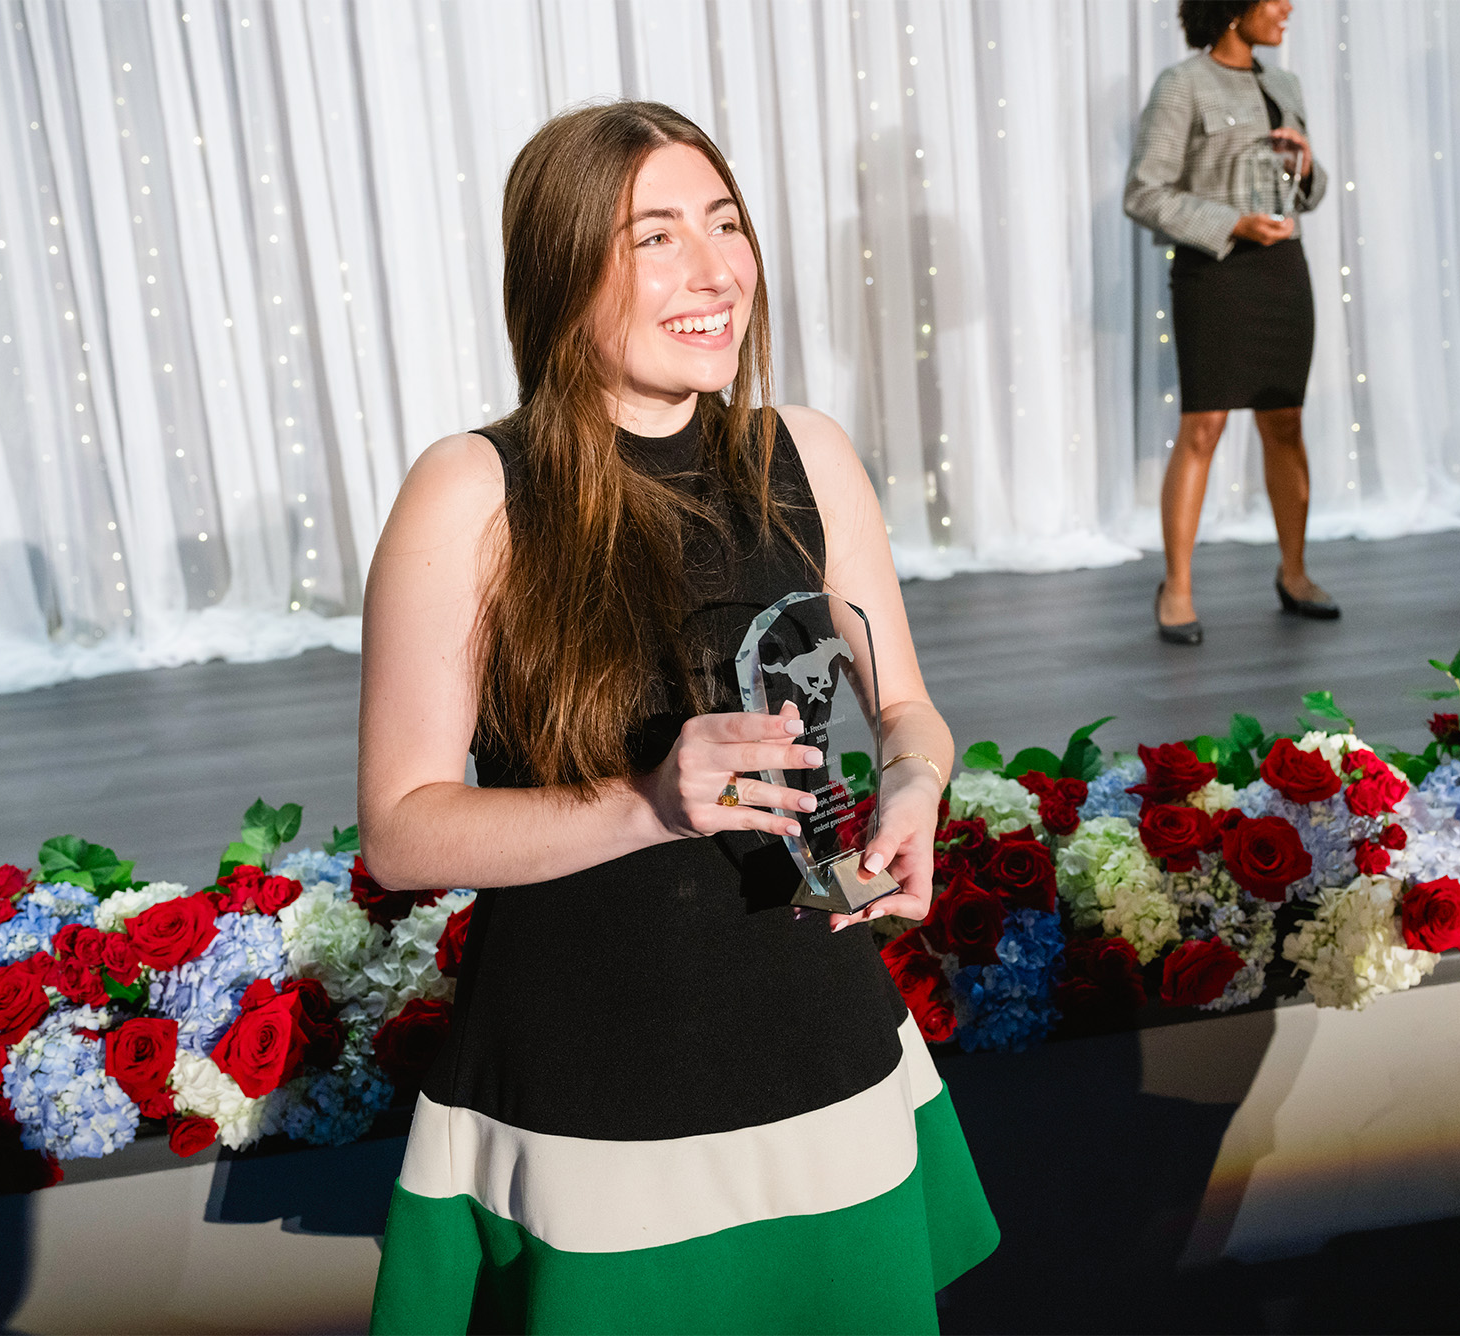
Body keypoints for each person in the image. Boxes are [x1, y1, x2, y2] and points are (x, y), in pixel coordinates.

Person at [357, 102, 998, 1333]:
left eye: (724, 222)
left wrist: (915, 785)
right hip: (595, 1097)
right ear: (559, 271)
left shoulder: (805, 453)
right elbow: (402, 828)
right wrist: (650, 802)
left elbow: (906, 707)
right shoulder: (473, 490)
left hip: (822, 1057)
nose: (716, 270)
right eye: (655, 237)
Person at [1126, 0, 1333, 645]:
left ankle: (1295, 573)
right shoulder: (1181, 84)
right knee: (1203, 428)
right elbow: (1144, 191)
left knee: (1285, 422)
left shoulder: (1285, 85)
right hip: (1215, 275)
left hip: (1282, 273)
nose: (1286, 9)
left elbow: (1311, 192)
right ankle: (1178, 588)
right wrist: (1231, 223)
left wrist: (1303, 164)